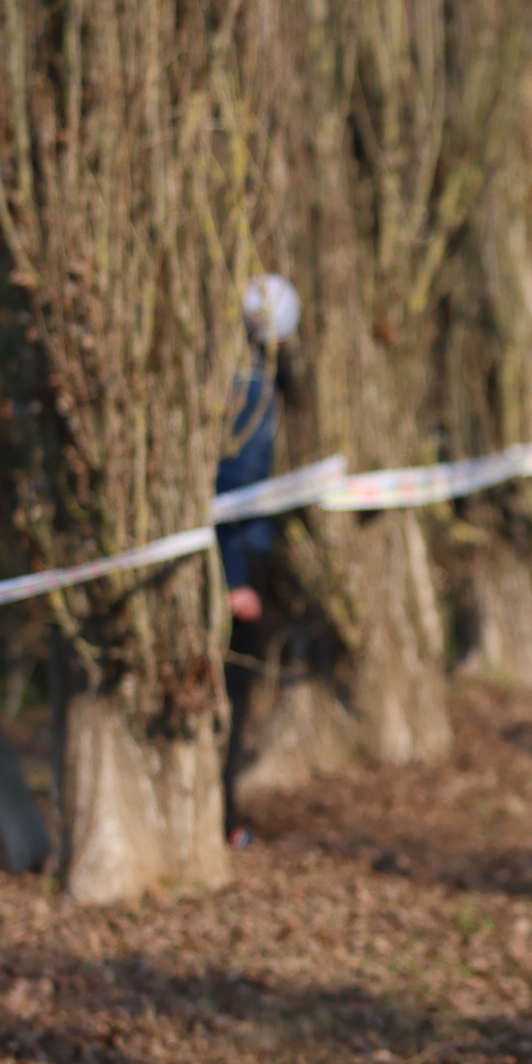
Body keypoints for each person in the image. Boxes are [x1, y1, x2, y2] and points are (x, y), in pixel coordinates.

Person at [215, 273, 299, 851]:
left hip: (240, 562)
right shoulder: (251, 393)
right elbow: (233, 492)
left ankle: (224, 814)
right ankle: (223, 820)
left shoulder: (247, 385)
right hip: (235, 572)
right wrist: (235, 579)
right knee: (230, 698)